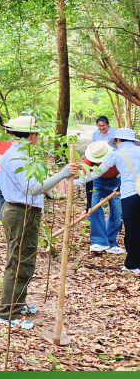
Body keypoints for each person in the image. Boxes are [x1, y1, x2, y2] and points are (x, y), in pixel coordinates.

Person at [0, 116, 79, 329]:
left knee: (25, 259)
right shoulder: (18, 157)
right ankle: (7, 313)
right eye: (37, 134)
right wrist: (62, 174)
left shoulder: (20, 153)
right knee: (18, 261)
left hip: (23, 210)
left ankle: (18, 303)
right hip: (20, 211)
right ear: (32, 136)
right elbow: (32, 189)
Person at [75, 128, 139, 274]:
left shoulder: (116, 154)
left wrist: (75, 182)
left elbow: (96, 173)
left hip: (129, 194)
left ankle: (132, 265)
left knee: (131, 229)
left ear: (118, 140)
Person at [76, 141, 122, 254]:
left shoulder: (117, 157)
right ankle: (99, 241)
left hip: (116, 182)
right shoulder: (88, 161)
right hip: (97, 182)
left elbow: (127, 172)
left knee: (117, 212)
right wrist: (88, 205)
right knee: (94, 209)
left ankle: (111, 242)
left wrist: (121, 187)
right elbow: (88, 181)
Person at [87, 116, 117, 210]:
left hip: (112, 163)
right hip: (98, 161)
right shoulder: (96, 133)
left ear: (107, 124)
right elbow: (93, 146)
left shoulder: (114, 132)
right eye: (99, 126)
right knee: (94, 203)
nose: (101, 128)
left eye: (103, 126)